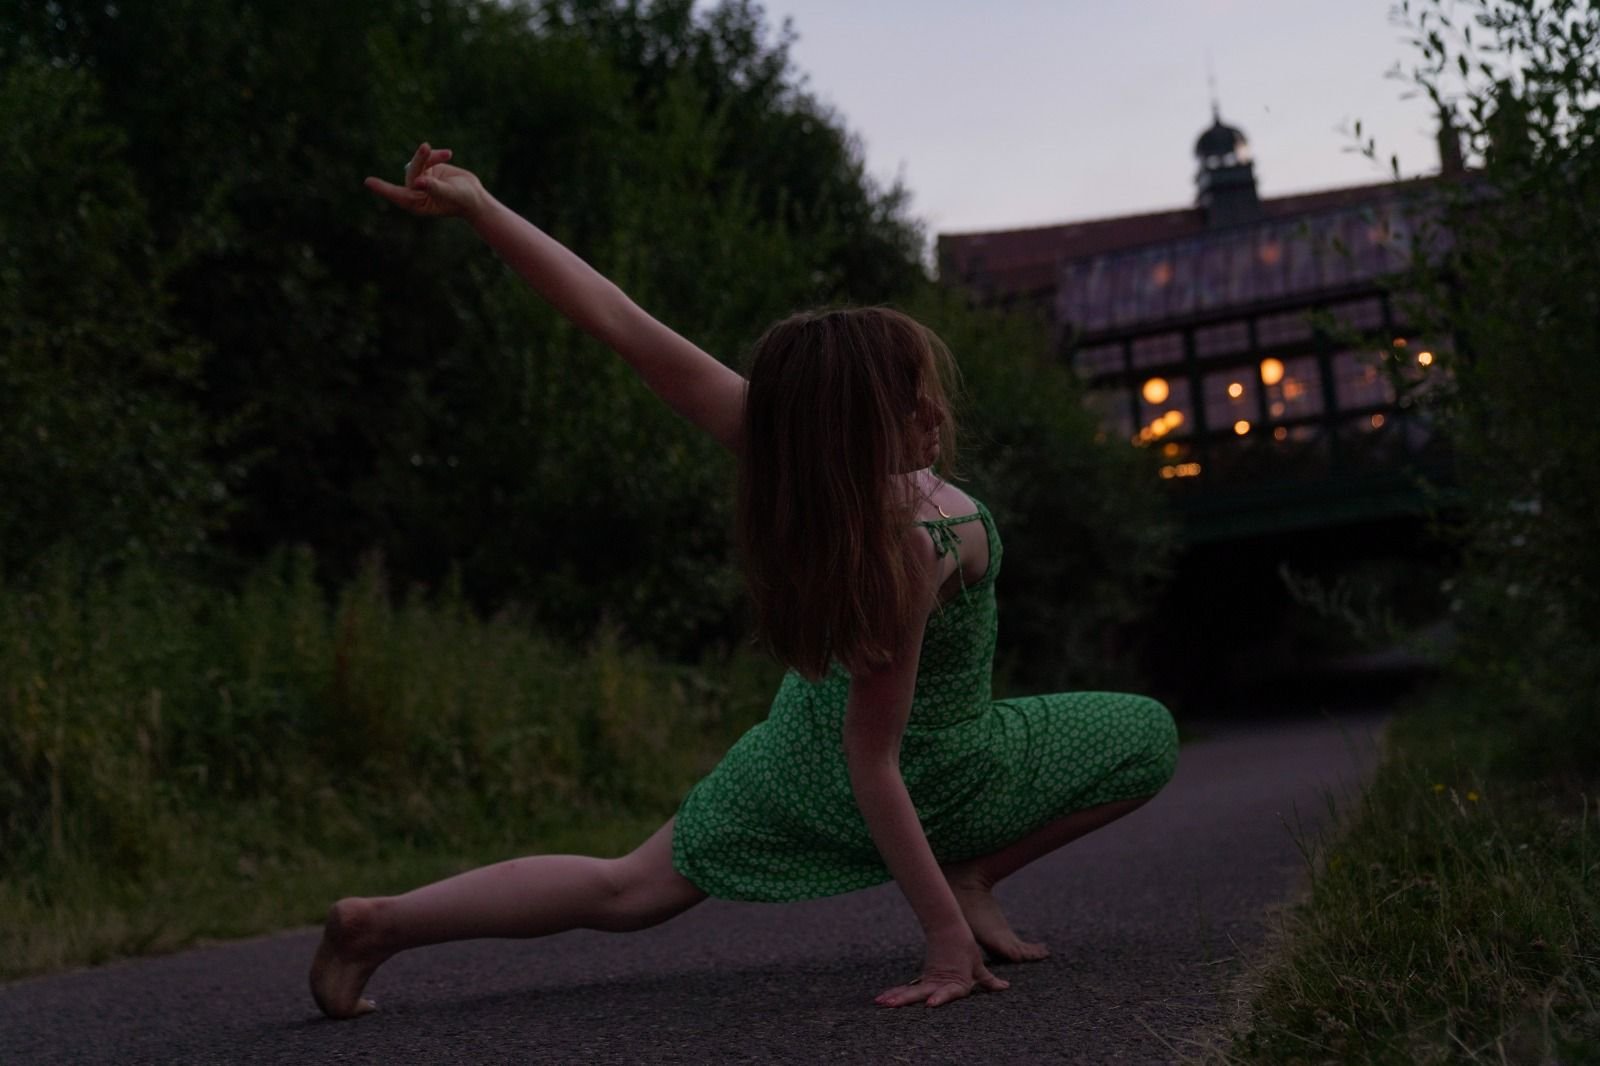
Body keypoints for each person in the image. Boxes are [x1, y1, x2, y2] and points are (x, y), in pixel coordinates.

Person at [310, 142, 1179, 1018]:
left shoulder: (793, 452)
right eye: (908, 400)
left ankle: (377, 924)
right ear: (851, 427)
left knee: (627, 890)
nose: (933, 410)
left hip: (800, 749)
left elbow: (619, 320)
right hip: (930, 768)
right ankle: (967, 877)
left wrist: (483, 207)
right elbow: (875, 760)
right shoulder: (923, 540)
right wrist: (944, 934)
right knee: (1145, 735)